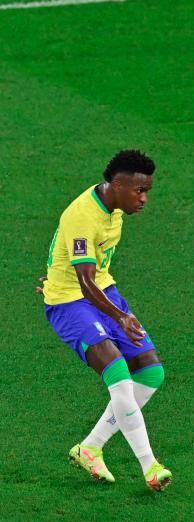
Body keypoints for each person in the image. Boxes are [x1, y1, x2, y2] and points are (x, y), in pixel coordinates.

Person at [39, 149, 172, 491]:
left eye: (147, 192)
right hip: (70, 302)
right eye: (139, 191)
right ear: (116, 185)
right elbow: (84, 282)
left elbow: (85, 264)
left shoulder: (114, 209)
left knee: (150, 371)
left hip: (104, 293)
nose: (144, 199)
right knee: (118, 374)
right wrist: (120, 317)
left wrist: (116, 310)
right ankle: (150, 465)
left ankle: (91, 447)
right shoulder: (83, 215)